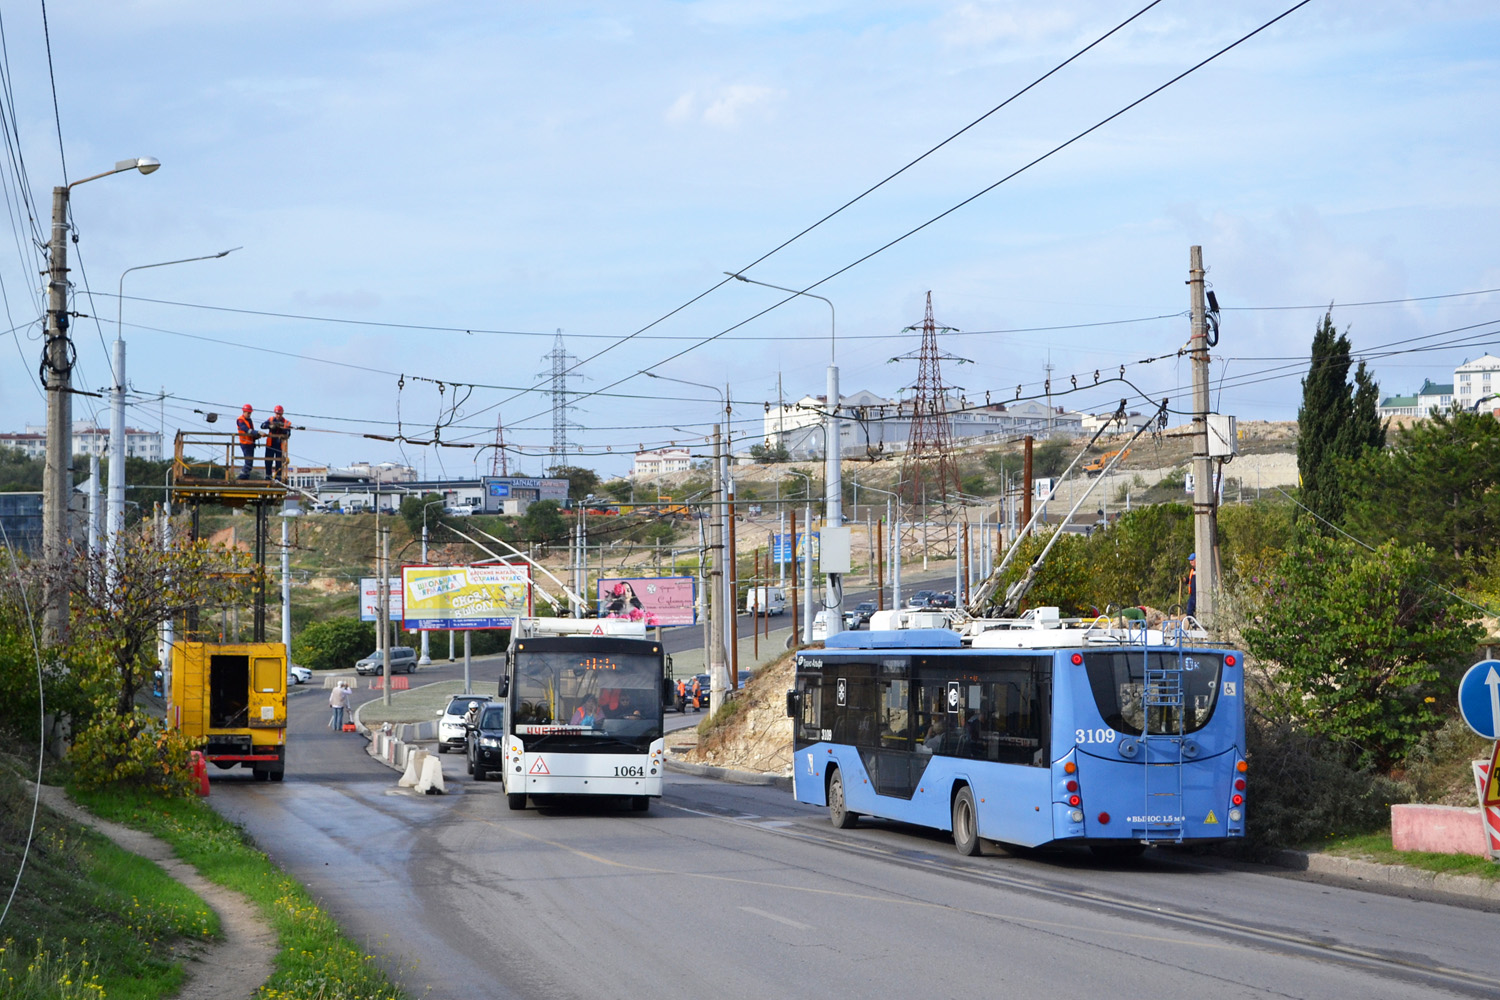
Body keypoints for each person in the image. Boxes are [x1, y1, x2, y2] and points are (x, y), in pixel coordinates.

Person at [260, 405, 292, 480]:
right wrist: (270, 426)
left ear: (282, 414)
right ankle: (268, 476)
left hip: (280, 445)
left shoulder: (286, 422)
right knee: (268, 460)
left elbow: (288, 433)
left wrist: (282, 429)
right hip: (270, 444)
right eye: (277, 414)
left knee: (279, 462)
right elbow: (262, 425)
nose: (278, 416)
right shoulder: (271, 419)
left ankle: (278, 477)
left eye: (279, 414)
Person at [235, 404, 259, 479]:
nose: (249, 414)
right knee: (248, 461)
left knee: (250, 462)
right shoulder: (240, 419)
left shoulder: (249, 420)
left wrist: (256, 436)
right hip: (245, 443)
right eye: (248, 413)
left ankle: (245, 476)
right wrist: (255, 433)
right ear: (244, 411)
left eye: (250, 413)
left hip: (250, 443)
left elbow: (251, 430)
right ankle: (242, 477)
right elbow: (245, 429)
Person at [1185, 552, 1197, 617]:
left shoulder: (1200, 569)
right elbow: (1190, 580)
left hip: (1198, 594)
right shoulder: (1192, 570)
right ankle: (1194, 626)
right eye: (1190, 560)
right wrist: (1185, 580)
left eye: (1192, 560)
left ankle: (1198, 625)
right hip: (1192, 595)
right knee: (1189, 612)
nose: (1190, 562)